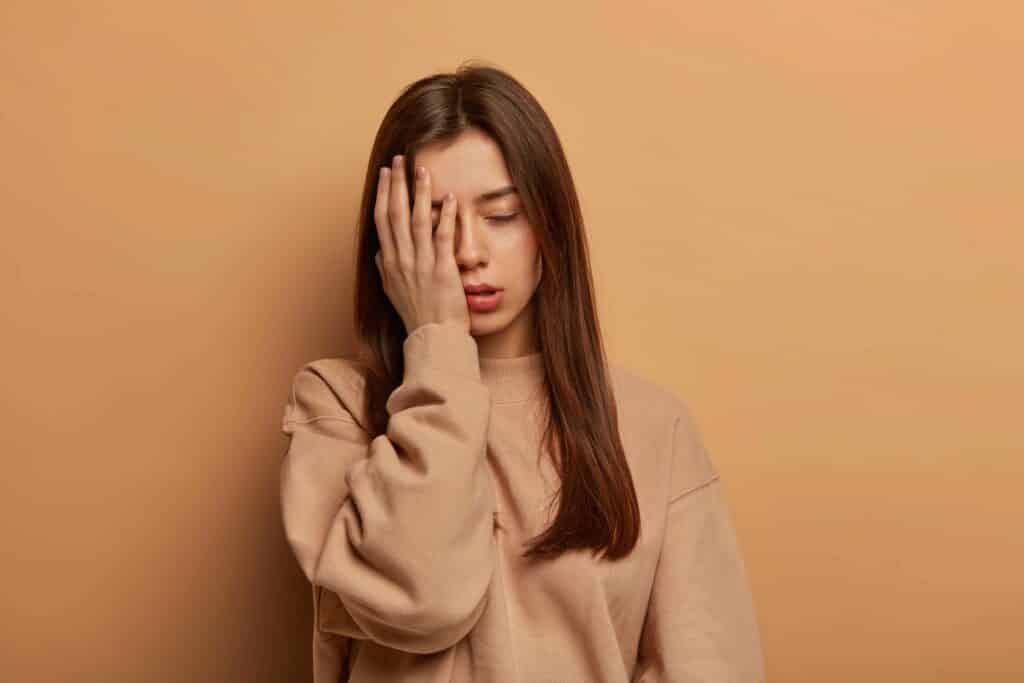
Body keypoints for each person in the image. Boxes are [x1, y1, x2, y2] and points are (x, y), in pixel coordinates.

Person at [279, 61, 766, 682]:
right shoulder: (338, 406)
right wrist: (438, 344)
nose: (467, 251)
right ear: (389, 237)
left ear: (548, 227)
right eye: (432, 221)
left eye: (501, 215)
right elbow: (422, 602)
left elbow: (710, 667)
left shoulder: (652, 428)